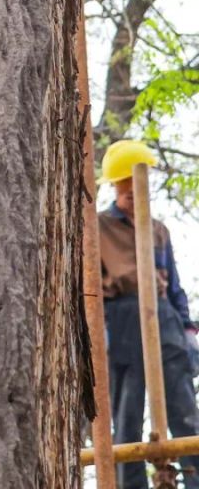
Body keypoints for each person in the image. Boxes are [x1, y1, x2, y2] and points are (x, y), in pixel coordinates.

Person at [100, 139, 199, 486]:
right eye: (124, 184)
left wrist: (187, 331)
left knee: (185, 410)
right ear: (115, 185)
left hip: (163, 317)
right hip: (122, 317)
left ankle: (194, 477)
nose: (131, 191)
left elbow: (173, 286)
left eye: (136, 182)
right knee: (127, 414)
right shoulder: (99, 227)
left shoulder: (158, 230)